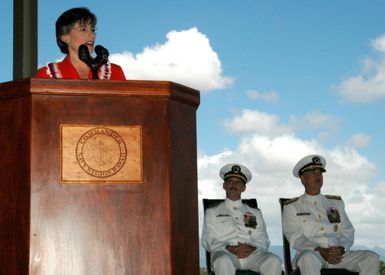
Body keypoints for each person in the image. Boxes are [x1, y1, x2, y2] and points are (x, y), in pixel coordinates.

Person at [282, 154, 380, 275]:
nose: (318, 175)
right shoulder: (291, 206)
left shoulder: (336, 203)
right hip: (312, 253)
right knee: (308, 259)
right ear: (302, 178)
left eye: (320, 172)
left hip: (338, 255)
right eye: (313, 172)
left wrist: (341, 248)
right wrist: (320, 250)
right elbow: (295, 237)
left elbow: (347, 231)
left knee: (371, 257)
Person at [202, 163, 282, 275]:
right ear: (224, 185)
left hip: (251, 254)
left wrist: (251, 248)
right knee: (223, 261)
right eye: (230, 181)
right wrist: (230, 248)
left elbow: (263, 239)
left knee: (274, 261)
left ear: (243, 188)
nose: (233, 184)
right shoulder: (212, 212)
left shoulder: (255, 213)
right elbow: (208, 240)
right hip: (225, 252)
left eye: (238, 182)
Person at [35, 7, 126, 80]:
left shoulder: (115, 72)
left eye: (93, 29)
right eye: (83, 29)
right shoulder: (46, 75)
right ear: (65, 37)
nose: (92, 35)